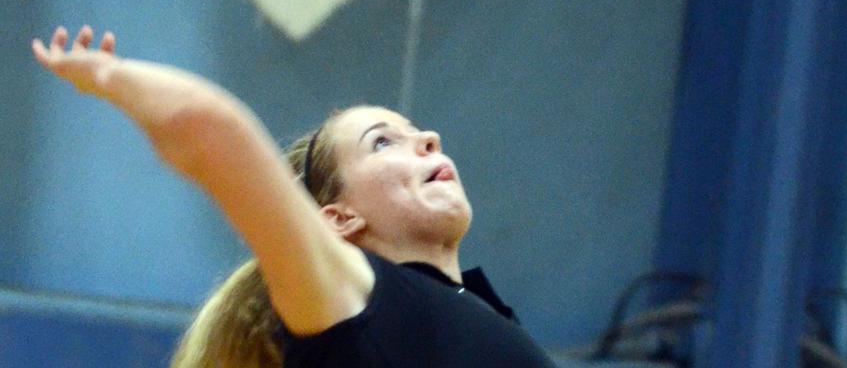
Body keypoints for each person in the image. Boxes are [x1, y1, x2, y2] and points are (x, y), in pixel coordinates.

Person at [31, 25, 556, 368]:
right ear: (337, 218)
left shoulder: (479, 315)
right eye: (382, 141)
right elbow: (209, 132)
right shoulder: (370, 304)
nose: (428, 139)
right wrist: (111, 78)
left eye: (416, 131)